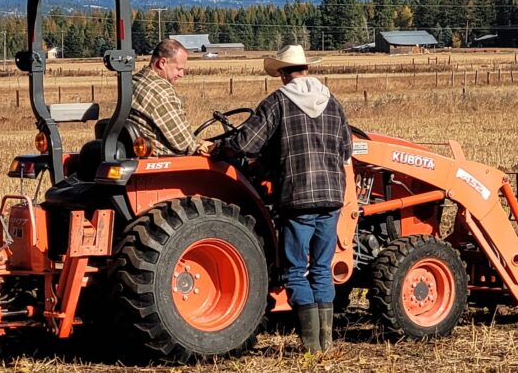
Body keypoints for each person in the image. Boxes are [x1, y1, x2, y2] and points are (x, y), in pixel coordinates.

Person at [212, 44, 352, 352]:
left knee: (295, 270)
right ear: (306, 69)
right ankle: (326, 345)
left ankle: (312, 347)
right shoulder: (334, 103)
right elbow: (346, 150)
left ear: (281, 74)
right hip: (331, 197)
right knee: (320, 268)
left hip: (298, 197)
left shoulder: (279, 102)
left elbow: (247, 143)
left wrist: (220, 149)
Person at [129, 39, 212, 156]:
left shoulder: (135, 81)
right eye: (179, 69)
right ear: (162, 63)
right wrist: (207, 146)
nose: (181, 74)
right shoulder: (160, 92)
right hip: (165, 161)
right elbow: (184, 143)